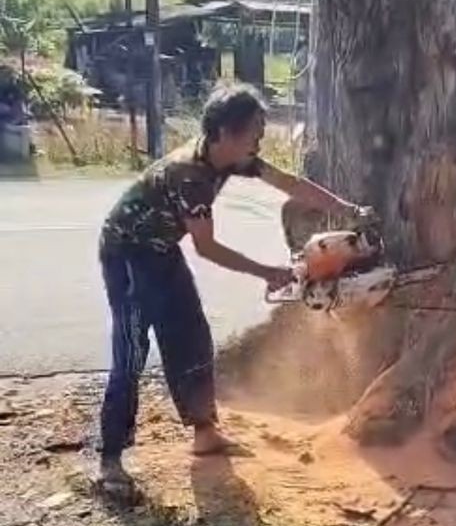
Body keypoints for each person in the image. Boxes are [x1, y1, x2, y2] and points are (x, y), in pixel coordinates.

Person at [97, 83, 364, 491]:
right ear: (225, 132)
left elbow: (290, 183)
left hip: (162, 249)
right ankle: (111, 459)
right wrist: (266, 272)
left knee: (192, 337)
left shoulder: (232, 159)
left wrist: (348, 210)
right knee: (132, 349)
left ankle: (204, 434)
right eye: (254, 131)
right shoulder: (189, 174)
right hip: (127, 253)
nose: (260, 138)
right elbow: (206, 247)